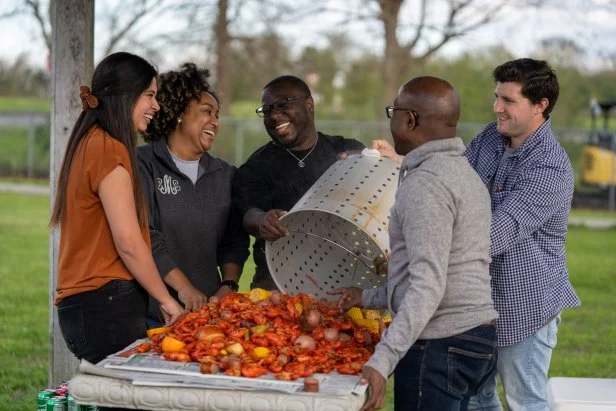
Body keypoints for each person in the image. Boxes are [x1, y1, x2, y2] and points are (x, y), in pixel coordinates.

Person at [333, 76, 498, 411]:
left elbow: (428, 285)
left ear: (409, 119)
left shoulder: (426, 183)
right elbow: (446, 271)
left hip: (440, 345)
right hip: (476, 339)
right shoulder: (464, 174)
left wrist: (383, 362)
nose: (390, 120)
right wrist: (368, 298)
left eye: (393, 111)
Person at [50, 52, 184, 366]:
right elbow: (128, 242)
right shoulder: (108, 148)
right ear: (125, 96)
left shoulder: (89, 142)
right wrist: (166, 300)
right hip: (104, 305)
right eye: (149, 95)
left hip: (87, 308)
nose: (156, 106)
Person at [465, 58, 581, 411]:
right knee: (474, 399)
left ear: (540, 106)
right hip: (478, 303)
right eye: (497, 97)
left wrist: (429, 246)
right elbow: (454, 183)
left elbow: (494, 234)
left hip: (525, 308)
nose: (497, 108)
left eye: (509, 101)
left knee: (525, 403)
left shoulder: (550, 167)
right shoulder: (490, 136)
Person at [138, 63, 249, 327]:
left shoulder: (226, 175)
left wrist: (228, 285)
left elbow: (235, 242)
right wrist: (184, 288)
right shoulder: (142, 164)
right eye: (206, 112)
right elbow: (144, 235)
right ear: (178, 113)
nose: (215, 122)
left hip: (208, 317)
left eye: (217, 115)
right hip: (152, 313)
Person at [232, 75, 364, 290]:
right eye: (266, 111)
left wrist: (364, 161)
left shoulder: (345, 151)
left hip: (341, 287)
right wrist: (263, 221)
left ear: (309, 104)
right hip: (277, 287)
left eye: (283, 104)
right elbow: (248, 213)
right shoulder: (257, 166)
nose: (274, 115)